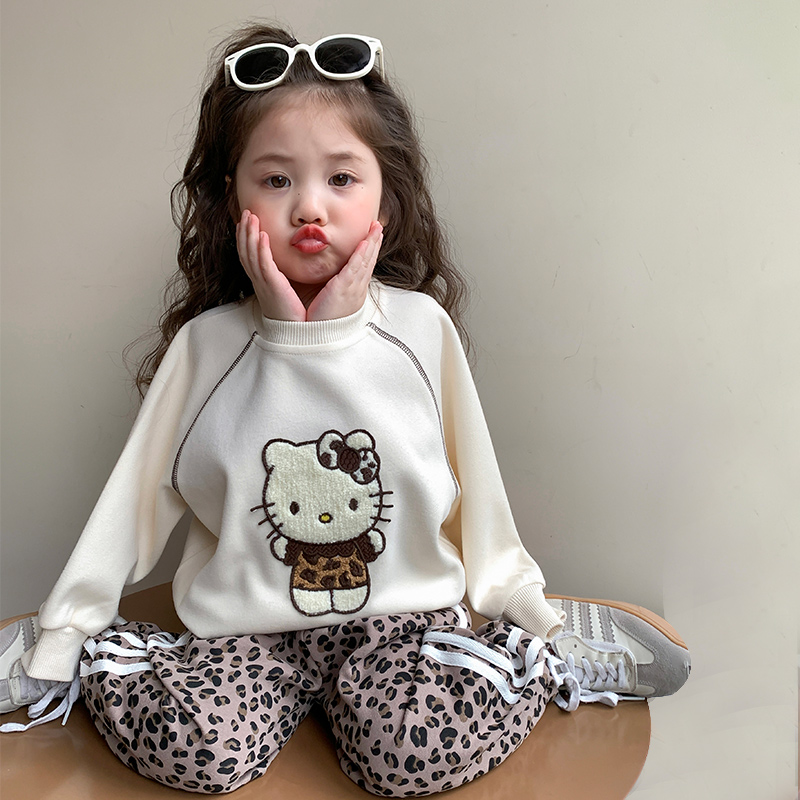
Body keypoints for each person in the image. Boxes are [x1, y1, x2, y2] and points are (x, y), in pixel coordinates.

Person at [0, 23, 690, 796]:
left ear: (383, 196)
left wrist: (522, 601)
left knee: (410, 759)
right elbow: (132, 507)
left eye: (340, 178)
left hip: (401, 625)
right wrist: (66, 631)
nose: (308, 208)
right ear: (232, 198)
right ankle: (101, 654)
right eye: (275, 180)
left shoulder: (419, 330)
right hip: (243, 633)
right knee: (199, 755)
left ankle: (541, 652)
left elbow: (476, 488)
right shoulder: (207, 347)